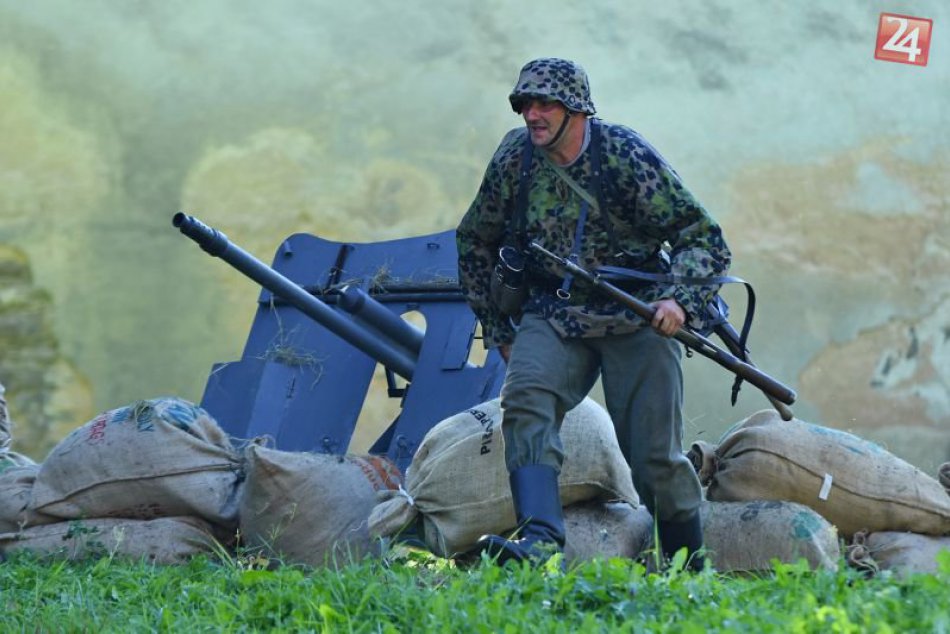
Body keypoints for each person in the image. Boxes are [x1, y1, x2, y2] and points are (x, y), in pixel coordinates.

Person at [456, 58, 731, 569]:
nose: (532, 115)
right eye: (524, 104)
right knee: (525, 401)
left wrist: (680, 302)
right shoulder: (515, 159)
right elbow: (474, 238)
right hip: (556, 314)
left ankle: (685, 568)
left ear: (576, 110)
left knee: (652, 458)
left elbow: (702, 236)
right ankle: (538, 541)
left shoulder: (624, 155)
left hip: (637, 318)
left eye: (545, 104)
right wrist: (497, 327)